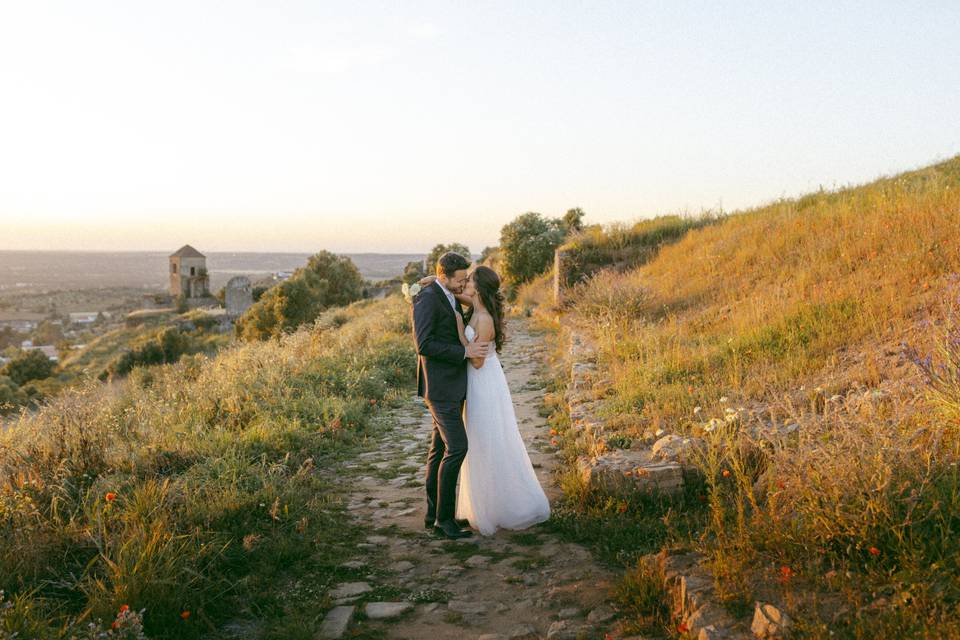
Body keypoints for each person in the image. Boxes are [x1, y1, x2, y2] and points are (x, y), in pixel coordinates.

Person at [419, 266, 551, 536]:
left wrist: (459, 329)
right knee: (470, 444)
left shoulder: (484, 319)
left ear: (477, 288)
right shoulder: (476, 305)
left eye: (468, 281)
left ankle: (495, 505)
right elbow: (453, 297)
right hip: (473, 384)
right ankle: (451, 511)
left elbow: (476, 361)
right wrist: (437, 281)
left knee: (486, 442)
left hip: (483, 382)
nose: (464, 284)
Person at [411, 252, 492, 539]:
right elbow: (424, 344)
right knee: (457, 448)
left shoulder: (444, 290)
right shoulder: (427, 297)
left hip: (453, 386)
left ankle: (435, 515)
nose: (462, 285)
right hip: (440, 387)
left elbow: (476, 299)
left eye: (464, 280)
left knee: (438, 453)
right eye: (458, 280)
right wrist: (464, 352)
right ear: (445, 276)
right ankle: (443, 520)